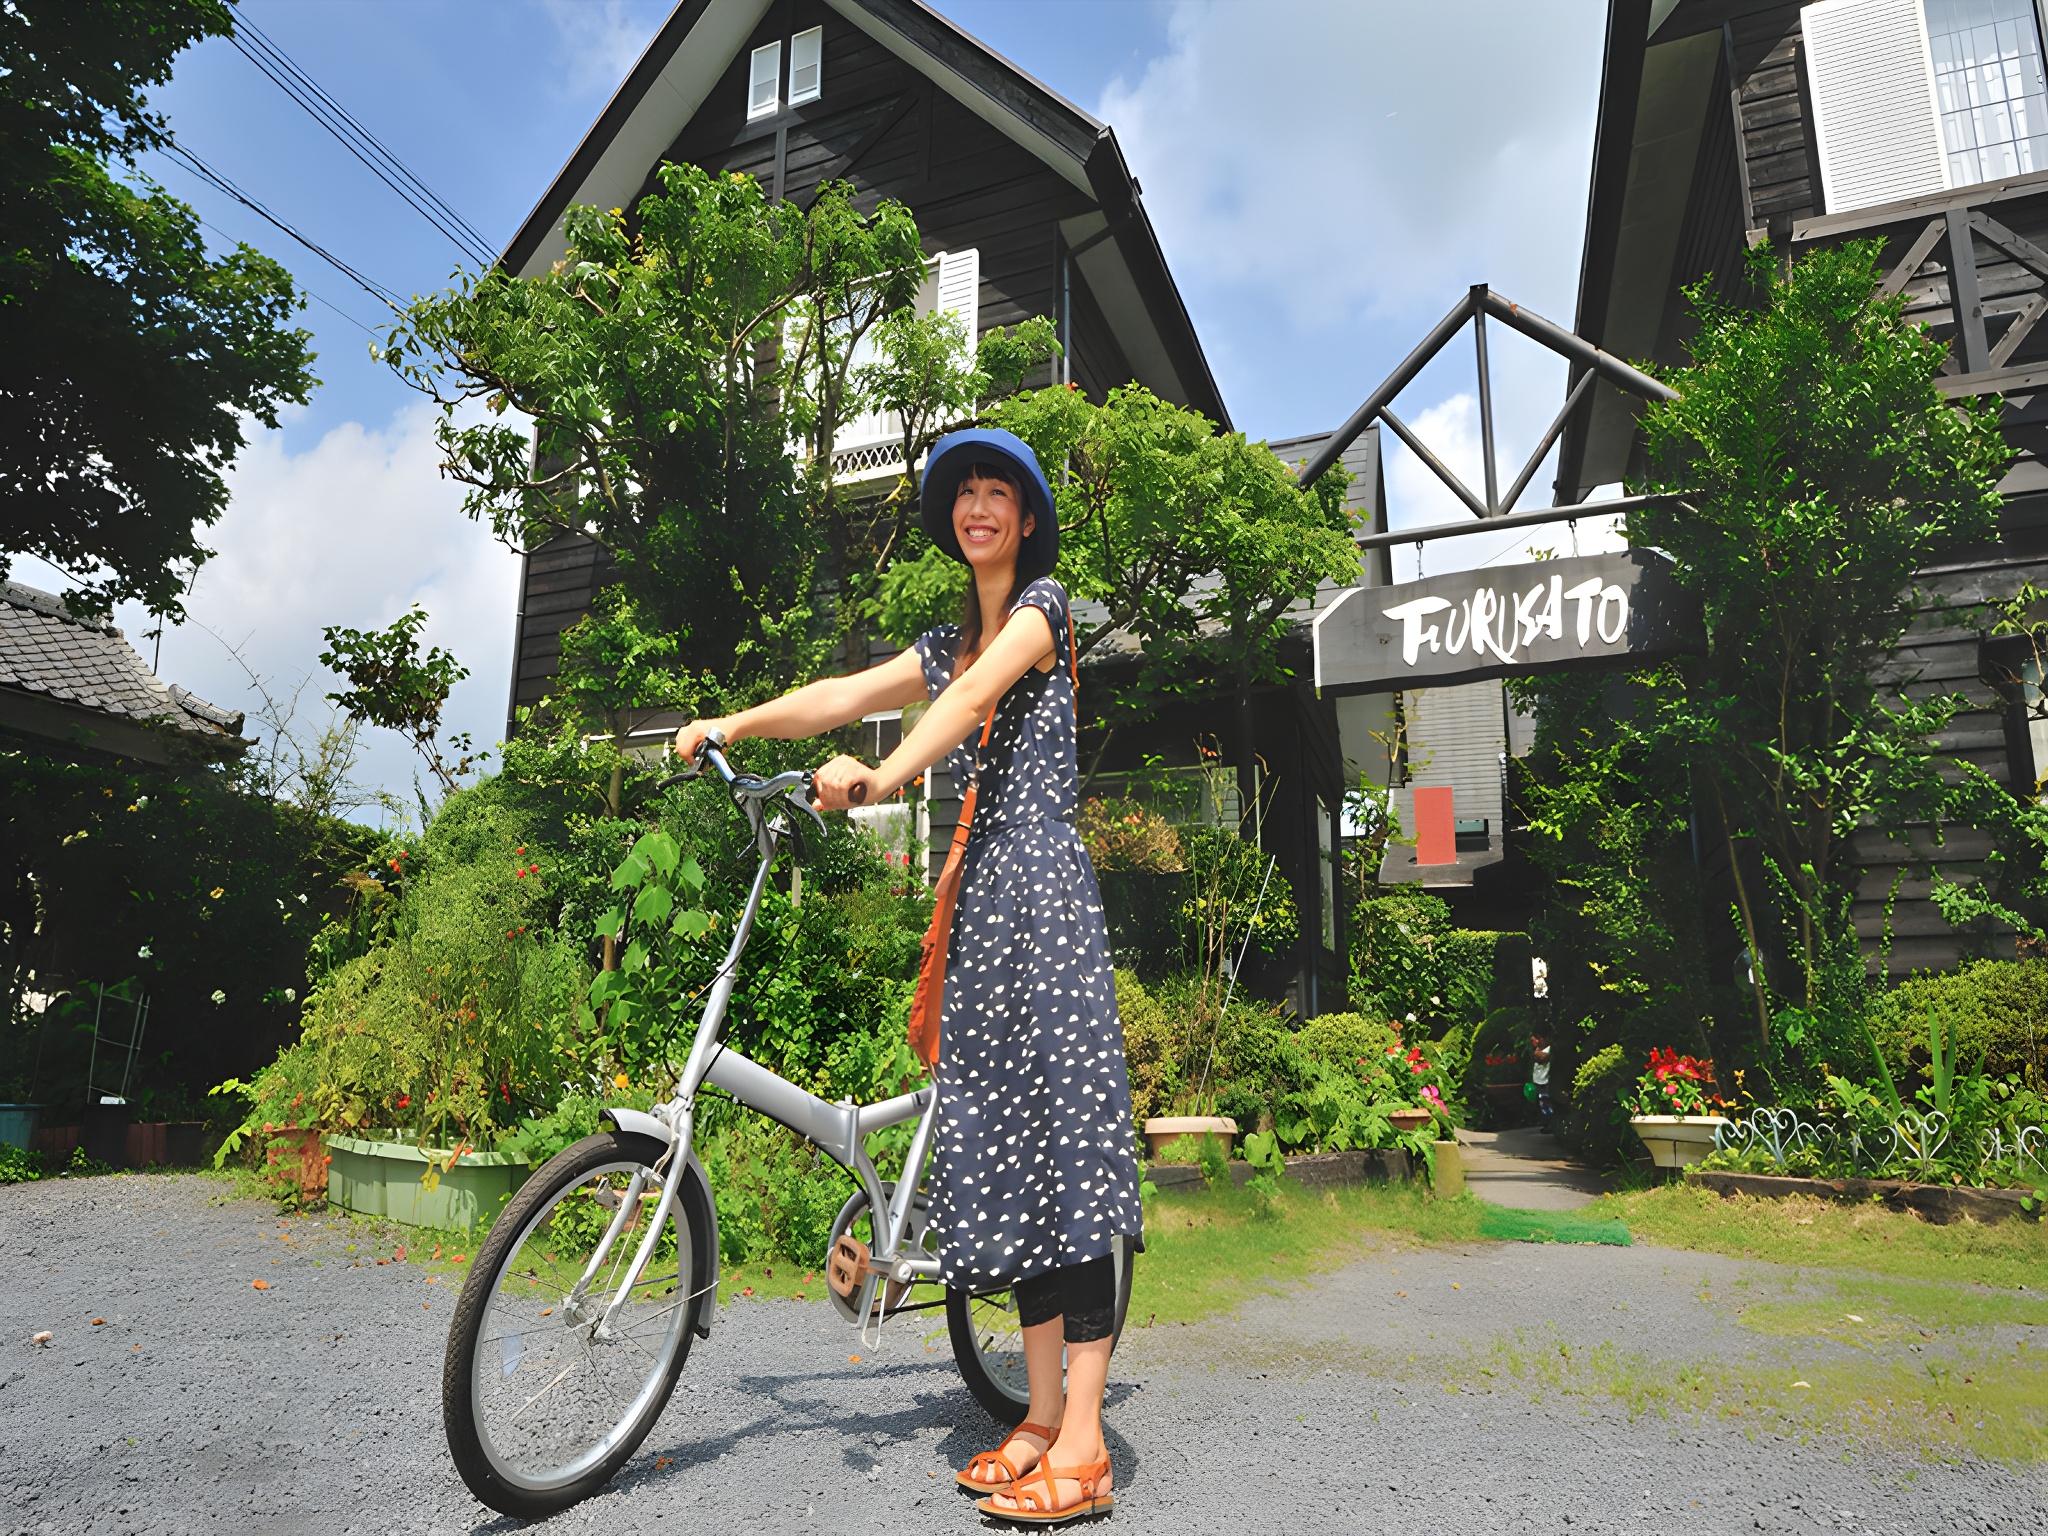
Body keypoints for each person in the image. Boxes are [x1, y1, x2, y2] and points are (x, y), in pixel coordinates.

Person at [672, 427, 1142, 1525]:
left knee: (1068, 1159)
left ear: (1025, 520)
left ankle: (1084, 1442)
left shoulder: (1045, 610)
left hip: (1044, 902)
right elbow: (840, 693)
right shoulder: (937, 640)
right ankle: (1031, 1419)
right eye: (964, 493)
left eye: (998, 493)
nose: (979, 507)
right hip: (978, 906)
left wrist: (882, 776)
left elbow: (976, 697)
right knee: (1010, 1152)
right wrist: (731, 722)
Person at [1530, 1034, 1555, 1133]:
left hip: (1545, 1081)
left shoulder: (1548, 1050)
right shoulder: (1538, 1050)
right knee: (1542, 1103)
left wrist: (1536, 1051)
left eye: (1535, 1040)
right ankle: (1546, 1124)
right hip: (1538, 1081)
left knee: (1546, 1103)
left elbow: (1541, 1058)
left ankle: (1550, 1124)